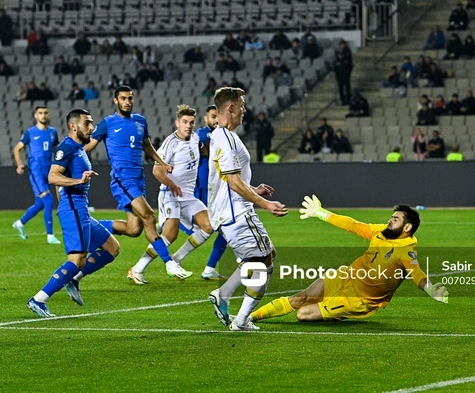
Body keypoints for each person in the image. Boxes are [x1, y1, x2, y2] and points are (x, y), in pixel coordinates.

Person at [252, 199, 447, 323]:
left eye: (395, 219)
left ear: (407, 227)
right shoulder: (381, 231)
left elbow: (417, 273)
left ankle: (335, 313)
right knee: (299, 299)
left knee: (302, 314)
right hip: (347, 276)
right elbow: (353, 225)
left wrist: (431, 289)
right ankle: (248, 318)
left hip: (358, 299)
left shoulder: (406, 251)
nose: (390, 221)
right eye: (391, 217)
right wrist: (321, 213)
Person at [85, 86, 190, 279]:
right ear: (115, 101)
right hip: (122, 178)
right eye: (123, 98)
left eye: (130, 98)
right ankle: (169, 264)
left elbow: (147, 146)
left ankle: (93, 226)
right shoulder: (108, 123)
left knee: (134, 229)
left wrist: (162, 162)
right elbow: (88, 147)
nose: (127, 102)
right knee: (149, 217)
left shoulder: (140, 121)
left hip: (138, 178)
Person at [206, 87, 288, 331]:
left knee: (266, 257)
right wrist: (266, 204)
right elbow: (232, 182)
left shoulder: (221, 136)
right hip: (236, 214)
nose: (245, 109)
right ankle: (239, 318)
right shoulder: (227, 139)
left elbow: (229, 181)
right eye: (241, 105)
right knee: (262, 264)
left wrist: (254, 189)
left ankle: (225, 297)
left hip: (231, 211)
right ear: (230, 108)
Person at [26, 109, 120, 317]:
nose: (91, 127)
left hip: (80, 209)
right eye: (87, 123)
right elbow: (53, 177)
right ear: (73, 126)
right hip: (73, 207)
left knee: (112, 247)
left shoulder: (79, 148)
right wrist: (78, 182)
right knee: (77, 260)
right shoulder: (67, 148)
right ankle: (39, 299)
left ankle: (74, 279)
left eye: (92, 123)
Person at [127, 105, 216, 283]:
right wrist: (172, 184)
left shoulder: (196, 138)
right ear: (177, 123)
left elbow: (202, 150)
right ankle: (137, 269)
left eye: (191, 122)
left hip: (188, 196)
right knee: (170, 235)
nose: (188, 126)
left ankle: (176, 258)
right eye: (184, 122)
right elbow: (156, 171)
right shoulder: (170, 143)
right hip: (170, 194)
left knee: (208, 226)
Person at [12, 106, 61, 245]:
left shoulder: (53, 132)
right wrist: (19, 163)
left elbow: (56, 149)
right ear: (35, 115)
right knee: (49, 200)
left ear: (49, 114)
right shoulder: (30, 133)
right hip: (36, 171)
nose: (43, 115)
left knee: (40, 203)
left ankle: (20, 223)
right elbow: (17, 148)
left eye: (45, 113)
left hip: (48, 169)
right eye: (40, 113)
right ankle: (50, 235)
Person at [191, 105, 229, 280]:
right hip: (205, 188)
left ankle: (209, 268)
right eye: (213, 116)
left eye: (218, 116)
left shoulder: (224, 135)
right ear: (206, 119)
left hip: (218, 188)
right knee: (217, 228)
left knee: (223, 229)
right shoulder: (202, 134)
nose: (216, 120)